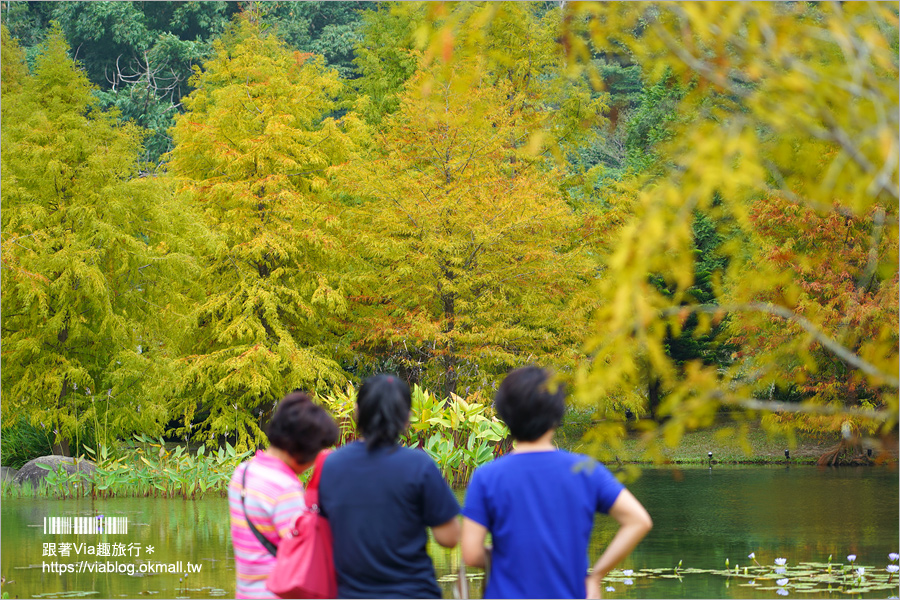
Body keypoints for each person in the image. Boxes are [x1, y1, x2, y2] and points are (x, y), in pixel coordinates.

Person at [461, 366, 653, 599]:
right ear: (556, 415)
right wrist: (596, 576)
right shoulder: (585, 471)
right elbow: (638, 521)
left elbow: (471, 554)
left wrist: (506, 554)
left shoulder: (487, 476)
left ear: (505, 415)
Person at [318, 374, 461, 598]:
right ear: (406, 417)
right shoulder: (419, 465)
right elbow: (449, 538)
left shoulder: (331, 465)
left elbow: (324, 531)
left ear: (357, 412)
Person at [228, 391, 339, 599]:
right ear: (303, 449)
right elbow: (303, 557)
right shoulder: (285, 488)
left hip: (244, 593)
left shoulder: (242, 472)